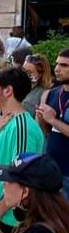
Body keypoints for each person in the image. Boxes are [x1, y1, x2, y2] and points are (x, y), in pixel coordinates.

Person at [0, 68, 45, 233]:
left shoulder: (22, 127)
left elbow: (20, 180)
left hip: (9, 218)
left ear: (8, 90)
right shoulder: (5, 121)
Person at [36, 48, 69, 198]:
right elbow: (47, 131)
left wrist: (52, 119)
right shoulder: (53, 93)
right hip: (51, 167)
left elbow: (53, 122)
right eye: (57, 64)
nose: (57, 69)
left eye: (64, 65)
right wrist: (41, 117)